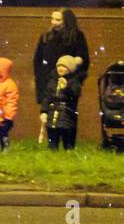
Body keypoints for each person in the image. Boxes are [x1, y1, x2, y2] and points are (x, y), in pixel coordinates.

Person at [33, 9, 90, 140]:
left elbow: (83, 57)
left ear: (67, 21)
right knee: (50, 111)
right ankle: (52, 142)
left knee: (67, 112)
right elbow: (37, 59)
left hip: (69, 81)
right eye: (52, 19)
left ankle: (68, 143)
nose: (54, 22)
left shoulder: (76, 36)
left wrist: (75, 69)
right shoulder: (46, 36)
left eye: (58, 20)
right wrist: (40, 78)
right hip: (49, 80)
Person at [42, 55, 83, 150]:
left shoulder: (74, 81)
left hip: (67, 113)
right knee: (52, 132)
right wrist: (44, 111)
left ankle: (68, 148)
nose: (60, 68)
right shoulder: (52, 81)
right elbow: (47, 97)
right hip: (53, 112)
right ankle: (52, 148)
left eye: (64, 66)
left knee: (68, 133)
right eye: (59, 66)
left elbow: (75, 94)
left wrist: (66, 88)